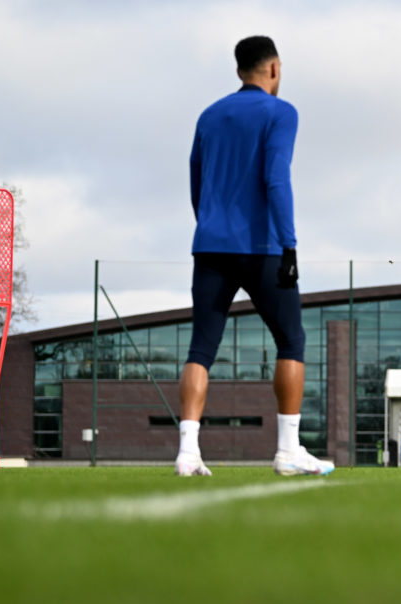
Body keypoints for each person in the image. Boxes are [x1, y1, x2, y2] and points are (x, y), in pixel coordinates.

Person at [175, 35, 333, 477]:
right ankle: (287, 452)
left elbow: (196, 181)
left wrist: (210, 225)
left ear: (239, 68)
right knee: (291, 341)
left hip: (210, 245)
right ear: (274, 68)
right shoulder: (281, 112)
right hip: (263, 247)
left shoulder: (209, 115)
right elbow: (276, 178)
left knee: (201, 347)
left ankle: (187, 453)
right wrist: (290, 243)